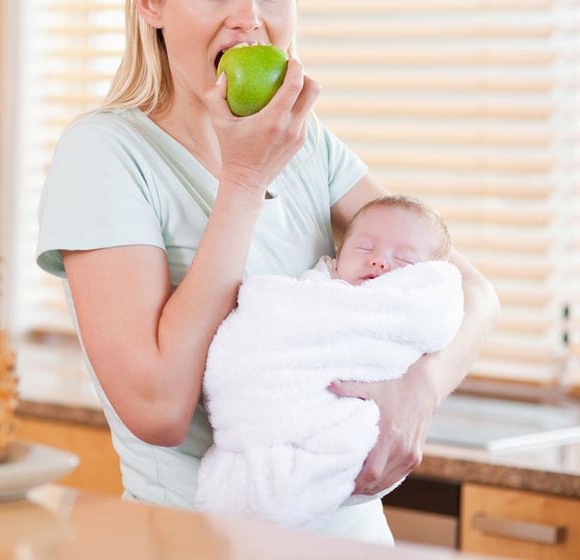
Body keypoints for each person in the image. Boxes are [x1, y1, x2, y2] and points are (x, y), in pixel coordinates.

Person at [36, 0, 499, 544]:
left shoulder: (309, 147)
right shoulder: (104, 155)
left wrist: (418, 392)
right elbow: (158, 408)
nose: (248, 18)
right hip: (199, 542)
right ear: (149, 1)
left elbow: (475, 293)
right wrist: (244, 181)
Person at [196, 194, 463, 531]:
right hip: (263, 416)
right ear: (338, 257)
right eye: (364, 248)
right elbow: (257, 334)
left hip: (339, 445)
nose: (379, 261)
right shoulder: (309, 294)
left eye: (405, 261)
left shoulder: (410, 315)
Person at [319, 194, 452, 285]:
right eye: (364, 247)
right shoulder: (317, 286)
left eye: (403, 258)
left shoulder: (428, 312)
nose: (379, 261)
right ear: (339, 254)